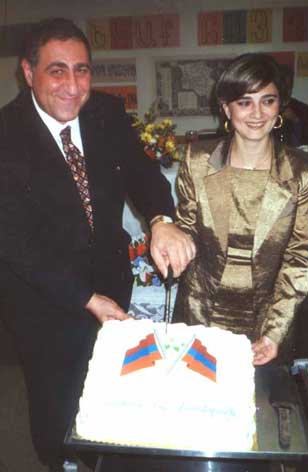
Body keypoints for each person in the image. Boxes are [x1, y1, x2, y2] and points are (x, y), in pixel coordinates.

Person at [0, 18, 195, 470]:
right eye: (57, 70)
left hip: (111, 278)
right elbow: (15, 242)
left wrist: (162, 220)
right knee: (56, 397)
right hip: (43, 299)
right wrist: (86, 299)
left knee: (109, 385)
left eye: (82, 70)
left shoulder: (106, 112)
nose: (72, 86)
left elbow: (143, 172)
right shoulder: (5, 135)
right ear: (28, 73)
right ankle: (61, 461)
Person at [173, 53, 308, 367]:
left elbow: (300, 256)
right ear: (226, 107)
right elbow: (185, 229)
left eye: (267, 101)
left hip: (265, 322)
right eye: (244, 102)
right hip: (201, 312)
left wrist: (275, 330)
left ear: (280, 106)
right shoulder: (197, 160)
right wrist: (171, 241)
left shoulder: (304, 171)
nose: (257, 113)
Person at [276, 64, 308, 147]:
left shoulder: (305, 109)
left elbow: (306, 141)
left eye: (288, 86)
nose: (285, 90)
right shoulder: (269, 108)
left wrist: (295, 120)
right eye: (282, 87)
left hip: (296, 155)